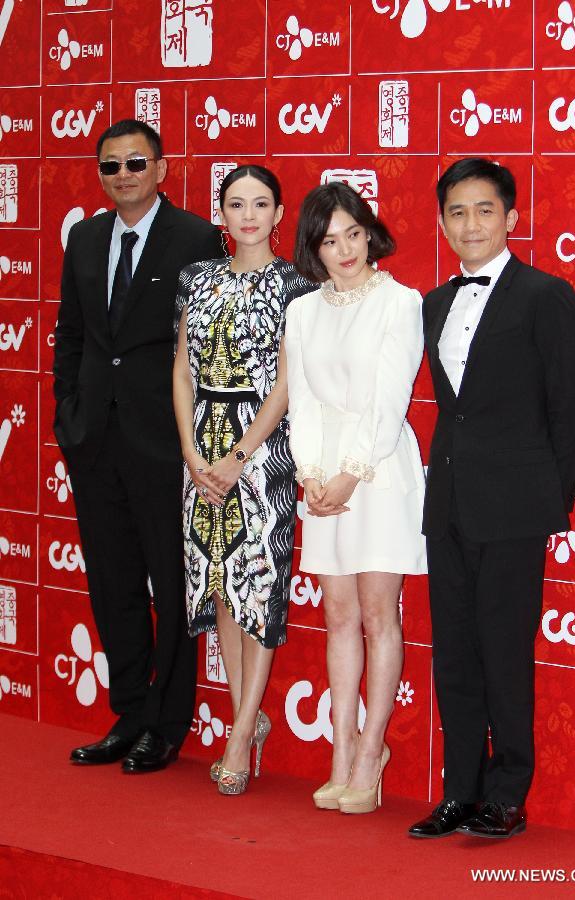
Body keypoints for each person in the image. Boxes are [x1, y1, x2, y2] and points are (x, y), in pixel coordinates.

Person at [408, 158, 575, 840]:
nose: (470, 224)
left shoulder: (546, 296)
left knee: (503, 650)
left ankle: (506, 794)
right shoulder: (433, 301)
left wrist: (550, 499)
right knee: (453, 652)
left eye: (483, 210)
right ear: (441, 223)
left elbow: (570, 403)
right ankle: (460, 790)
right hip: (448, 501)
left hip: (513, 506)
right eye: (456, 212)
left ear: (511, 218)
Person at [53, 119, 223, 772]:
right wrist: (69, 413)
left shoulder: (196, 239)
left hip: (165, 444)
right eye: (110, 166)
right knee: (113, 581)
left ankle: (167, 723)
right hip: (94, 439)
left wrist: (195, 441)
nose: (122, 175)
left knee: (173, 584)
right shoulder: (86, 239)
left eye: (134, 163)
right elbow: (71, 333)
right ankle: (129, 713)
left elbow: (207, 349)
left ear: (161, 168)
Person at [285, 182, 427, 815]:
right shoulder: (303, 311)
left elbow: (391, 400)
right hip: (322, 481)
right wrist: (311, 473)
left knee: (378, 615)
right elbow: (305, 401)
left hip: (378, 471)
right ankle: (339, 753)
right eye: (326, 239)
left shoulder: (401, 302)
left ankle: (372, 753)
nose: (342, 249)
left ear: (368, 231)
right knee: (337, 616)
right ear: (313, 248)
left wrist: (348, 471)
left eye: (351, 233)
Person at [173, 165, 314, 795]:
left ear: (280, 214)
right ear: (221, 214)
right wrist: (192, 453)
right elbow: (181, 369)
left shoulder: (296, 286)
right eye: (236, 204)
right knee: (221, 585)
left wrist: (240, 454)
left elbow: (288, 381)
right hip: (199, 452)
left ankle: (237, 735)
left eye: (261, 204)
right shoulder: (196, 279)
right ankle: (245, 717)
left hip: (262, 451)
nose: (248, 214)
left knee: (257, 587)